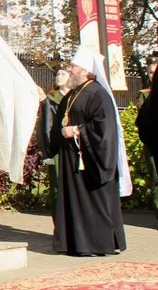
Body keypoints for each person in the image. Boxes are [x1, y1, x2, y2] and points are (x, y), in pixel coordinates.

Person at [48, 47, 127, 256]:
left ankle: (95, 244)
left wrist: (77, 130)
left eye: (73, 67)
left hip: (89, 159)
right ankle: (73, 242)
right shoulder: (73, 94)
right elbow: (59, 121)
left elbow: (104, 128)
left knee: (93, 201)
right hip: (71, 159)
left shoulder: (97, 94)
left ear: (84, 71)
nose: (70, 70)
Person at [36, 68, 72, 218]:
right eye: (58, 74)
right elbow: (44, 127)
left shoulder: (75, 96)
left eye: (63, 74)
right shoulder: (50, 99)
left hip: (73, 147)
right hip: (56, 149)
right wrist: (46, 151)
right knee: (58, 188)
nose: (59, 76)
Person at [135, 51, 158, 216]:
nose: (152, 75)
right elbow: (143, 120)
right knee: (156, 177)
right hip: (152, 141)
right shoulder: (144, 94)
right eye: (150, 72)